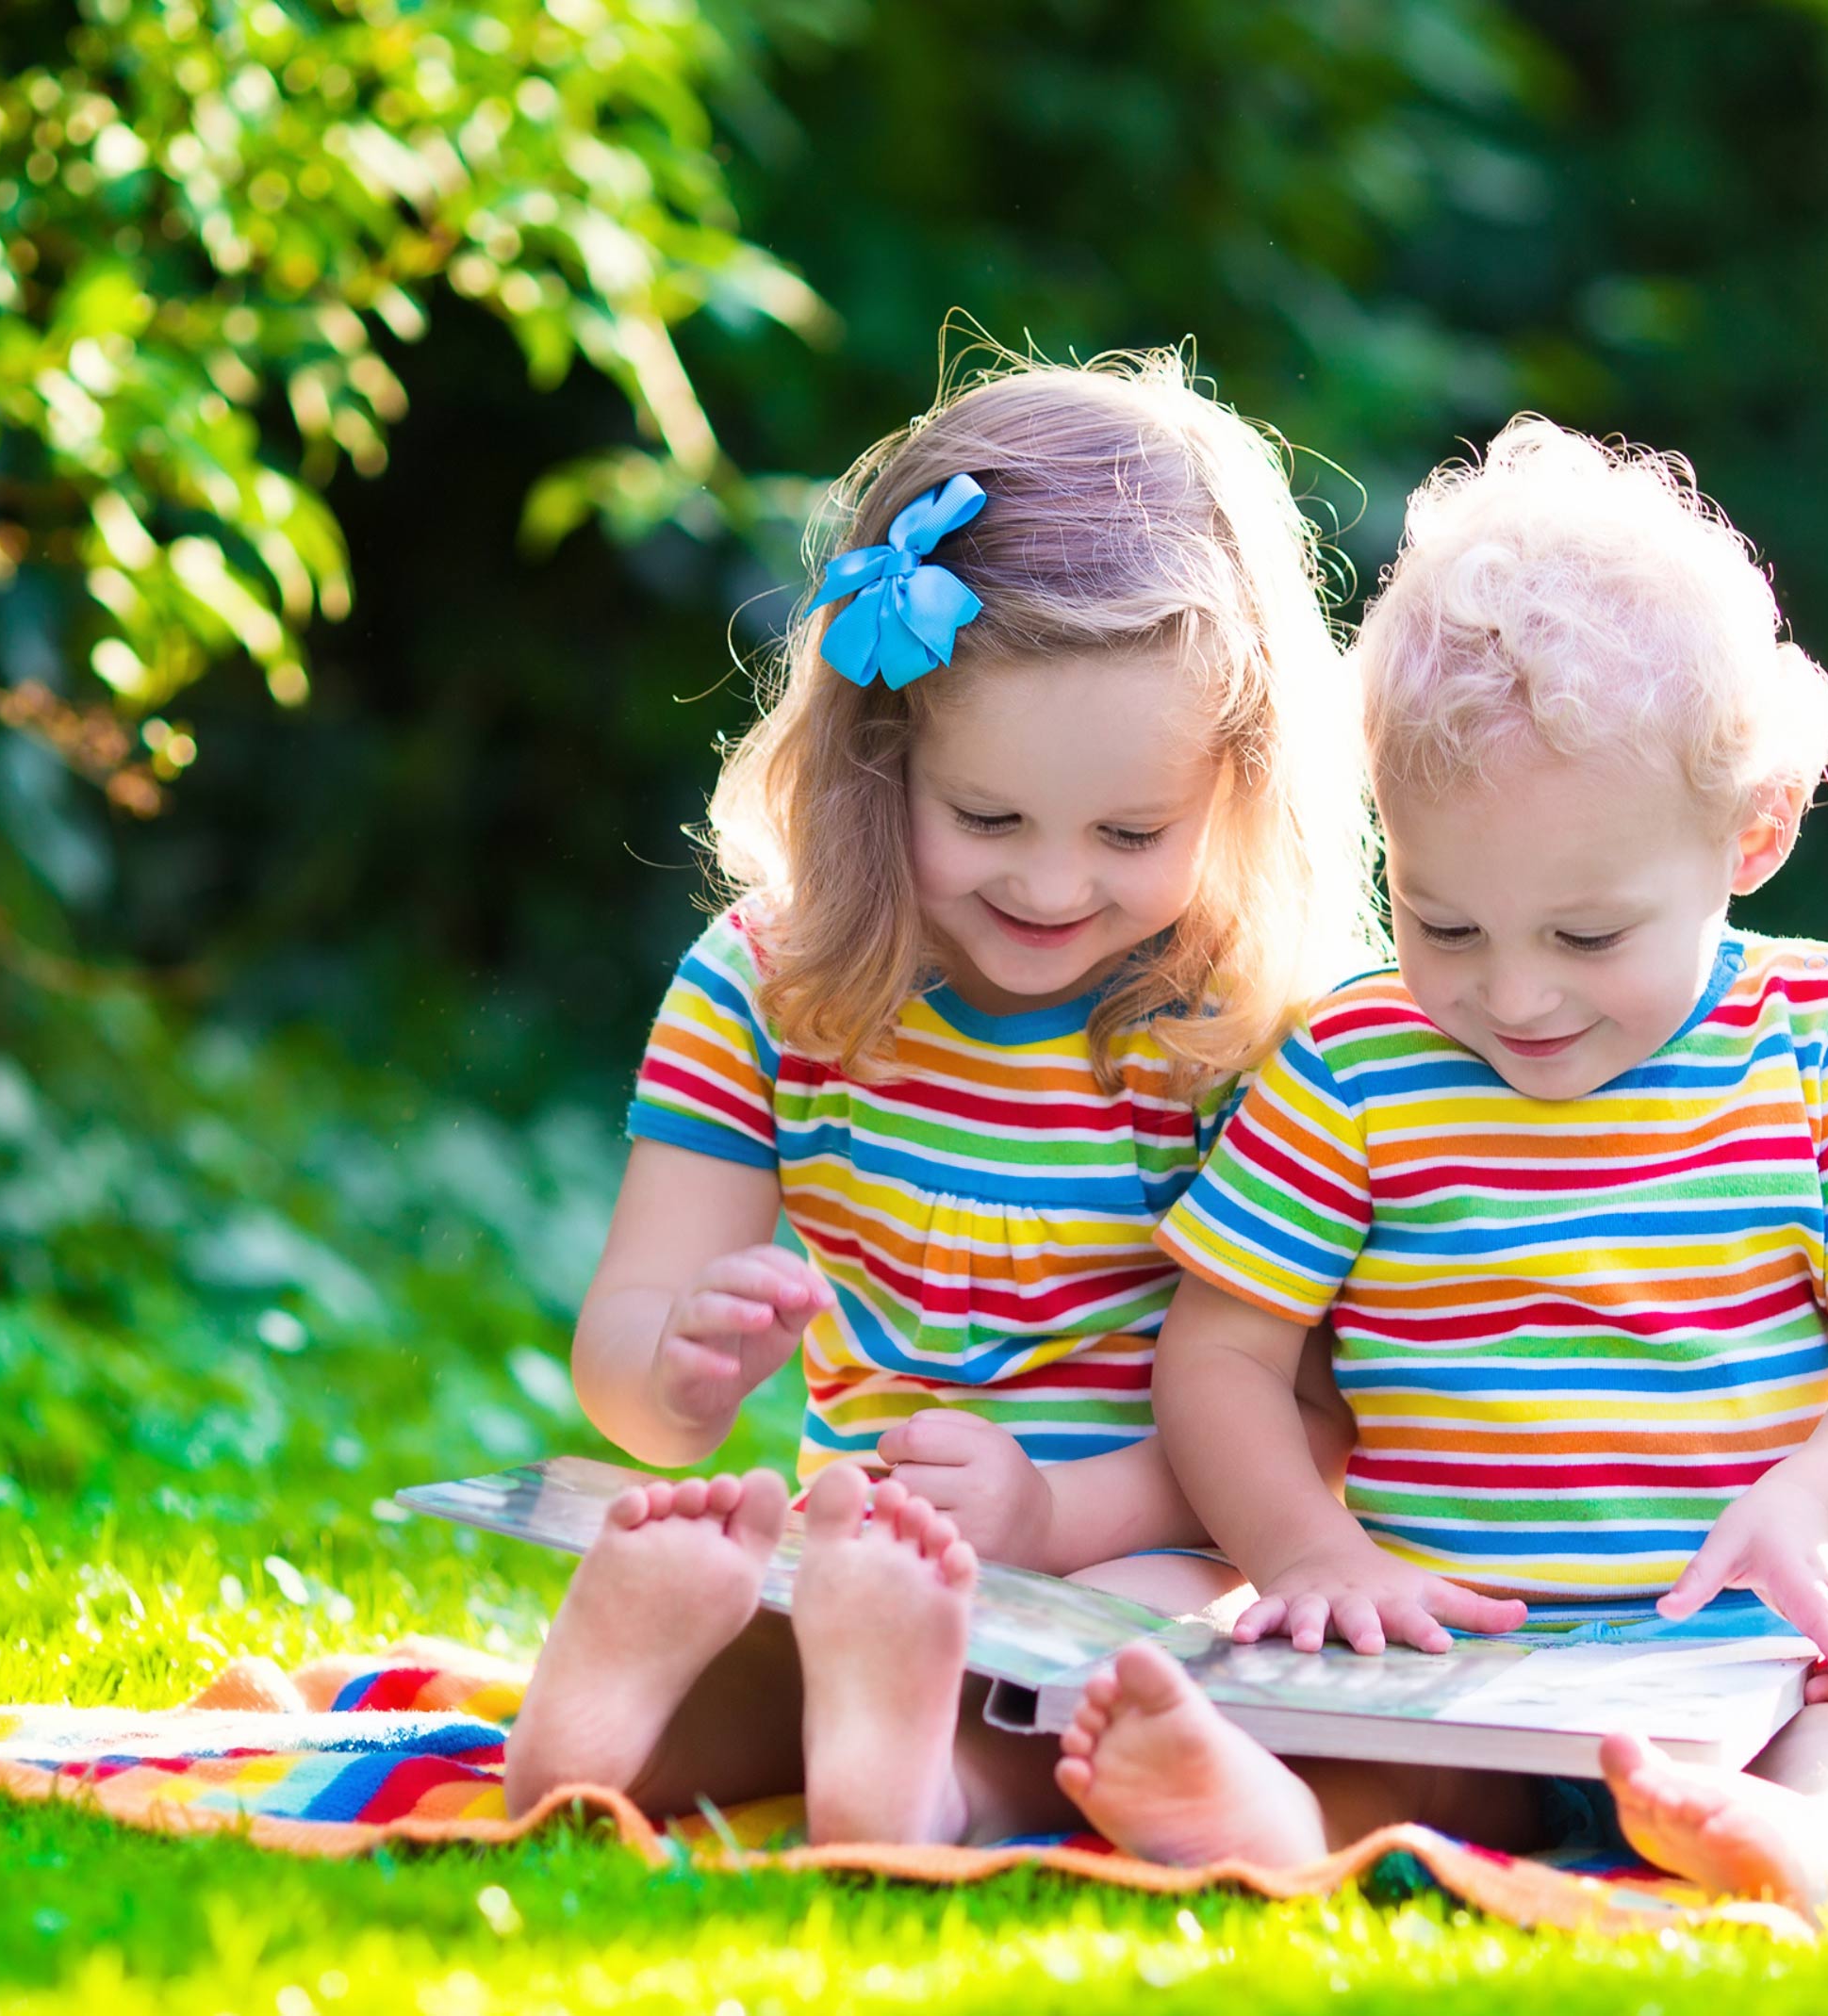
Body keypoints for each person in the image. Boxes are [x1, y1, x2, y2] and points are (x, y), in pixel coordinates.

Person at [1057, 418, 1828, 1923]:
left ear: (1749, 836)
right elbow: (1224, 1359)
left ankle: (1814, 1856)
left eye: (1586, 937)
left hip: (1752, 1643)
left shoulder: (1821, 1036)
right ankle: (1269, 1823)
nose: (1514, 997)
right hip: (1453, 1658)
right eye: (1445, 925)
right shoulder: (1357, 1065)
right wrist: (1316, 1553)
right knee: (1383, 1770)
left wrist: (1815, 1505)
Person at [505, 352, 1375, 1846]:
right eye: (987, 818)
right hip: (867, 1565)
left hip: (1139, 1543)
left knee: (1174, 1646)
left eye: (1127, 829)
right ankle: (640, 1734)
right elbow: (625, 1371)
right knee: (818, 1607)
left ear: (1238, 786)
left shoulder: (1248, 1036)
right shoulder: (769, 983)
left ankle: (867, 1758)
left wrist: (1047, 1518)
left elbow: (1313, 1431)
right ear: (879, 758)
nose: (1050, 884)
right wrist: (683, 1368)